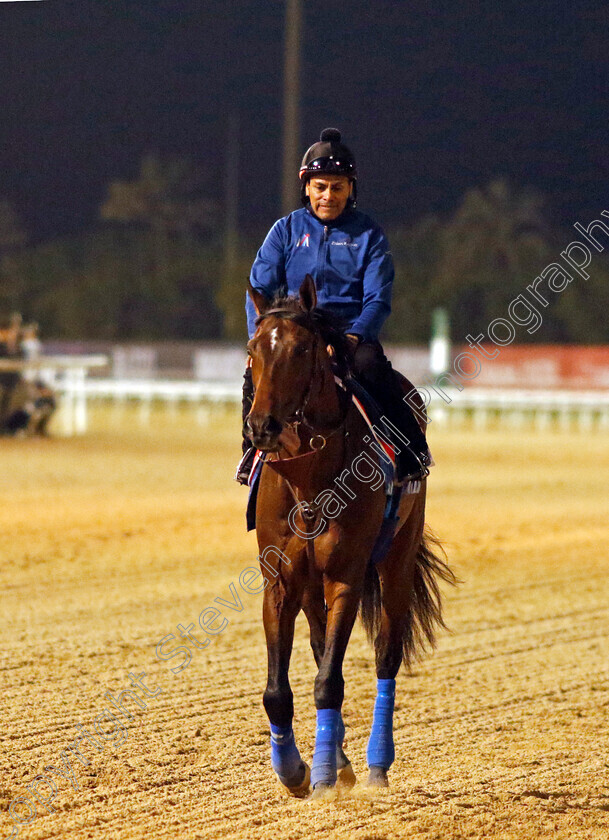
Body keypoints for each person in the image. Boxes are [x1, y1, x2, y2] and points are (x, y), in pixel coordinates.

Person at [236, 128, 431, 484]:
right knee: (256, 371)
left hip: (350, 336)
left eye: (337, 187)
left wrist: (356, 337)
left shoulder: (369, 235)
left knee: (370, 366)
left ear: (350, 189)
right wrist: (258, 340)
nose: (328, 196)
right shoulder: (285, 231)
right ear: (306, 187)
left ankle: (410, 451)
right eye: (321, 187)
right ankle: (252, 450)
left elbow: (377, 299)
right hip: (295, 333)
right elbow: (260, 290)